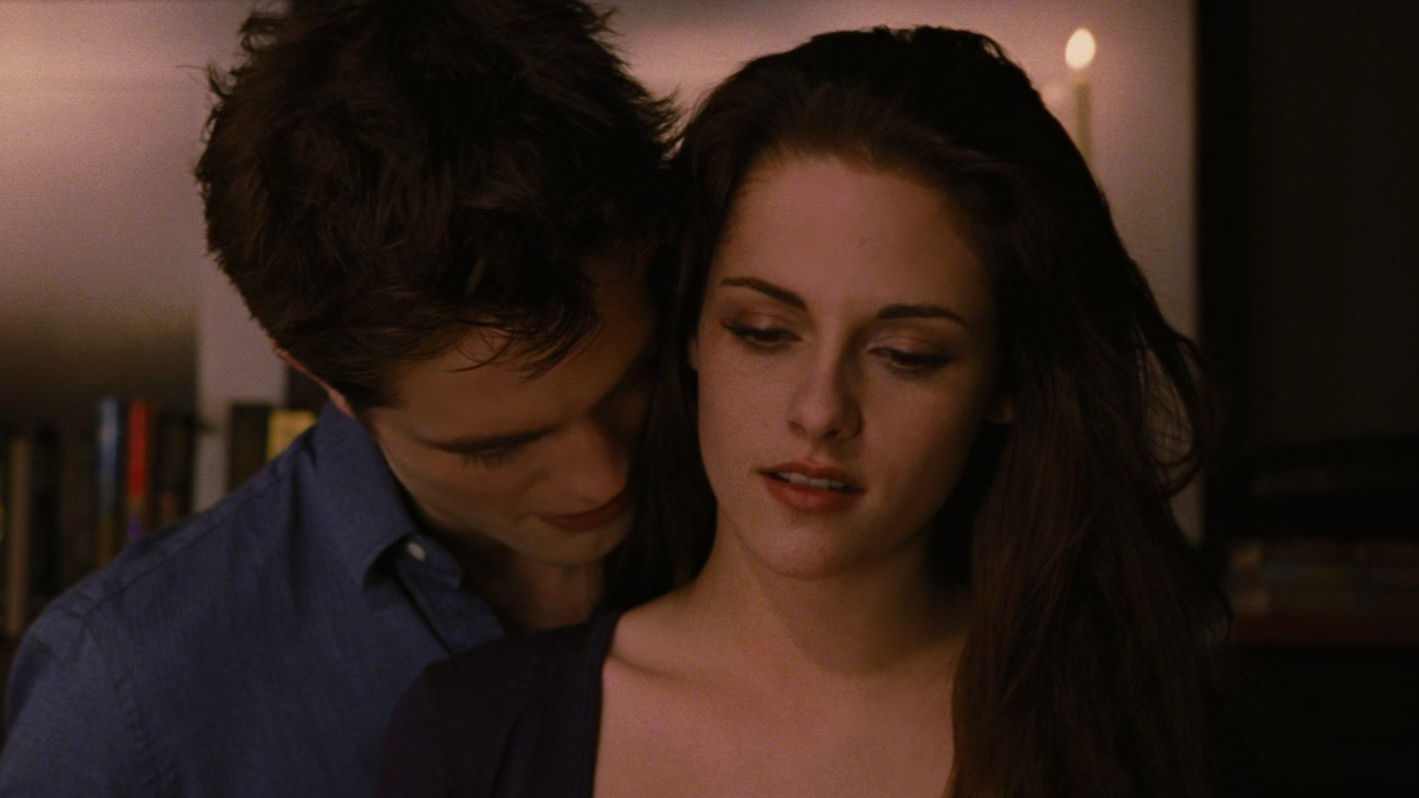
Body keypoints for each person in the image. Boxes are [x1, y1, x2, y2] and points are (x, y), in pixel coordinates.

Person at [379, 25, 1232, 798]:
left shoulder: (1128, 734)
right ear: (690, 331)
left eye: (906, 355)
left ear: (1006, 383)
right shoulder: (480, 735)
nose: (820, 411)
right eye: (763, 332)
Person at [0, 0, 673, 795]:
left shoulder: (772, 523)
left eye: (633, 381)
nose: (602, 476)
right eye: (496, 447)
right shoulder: (127, 694)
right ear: (322, 378)